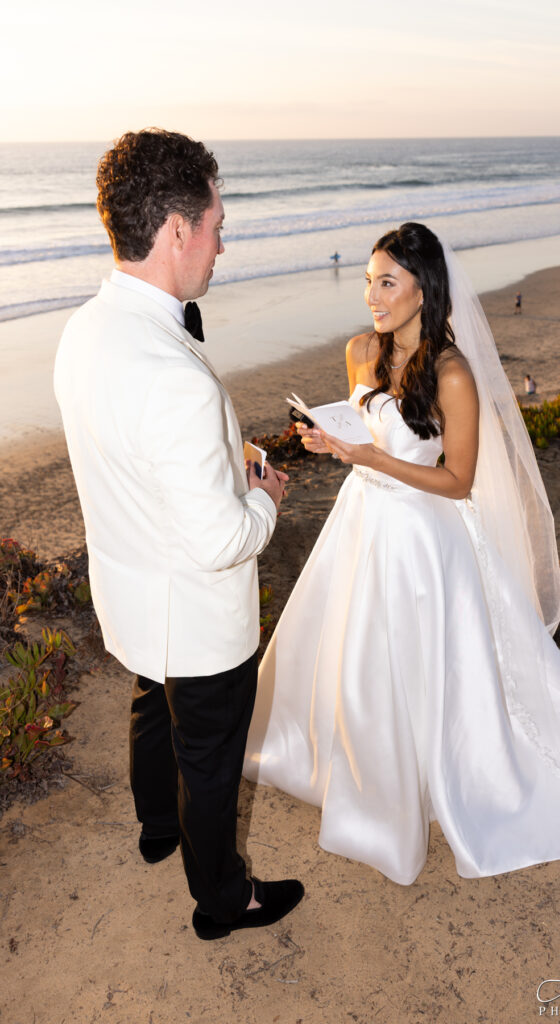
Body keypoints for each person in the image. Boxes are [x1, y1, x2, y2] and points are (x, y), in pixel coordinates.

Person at [243, 222, 560, 885]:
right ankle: (356, 769)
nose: (372, 295)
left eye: (386, 282)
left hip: (422, 536)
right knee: (352, 652)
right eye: (368, 280)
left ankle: (417, 783)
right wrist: (337, 446)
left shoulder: (451, 374)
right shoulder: (359, 349)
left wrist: (369, 457)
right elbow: (363, 432)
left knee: (420, 659)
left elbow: (458, 481)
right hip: (360, 521)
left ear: (423, 290)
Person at [54, 129, 304, 939]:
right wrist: (265, 497)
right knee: (209, 757)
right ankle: (223, 900)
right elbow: (220, 541)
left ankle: (156, 829)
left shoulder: (84, 331)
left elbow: (130, 449)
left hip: (129, 597)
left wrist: (216, 456)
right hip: (195, 620)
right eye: (216, 225)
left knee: (147, 709)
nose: (222, 245)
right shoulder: (170, 374)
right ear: (174, 232)